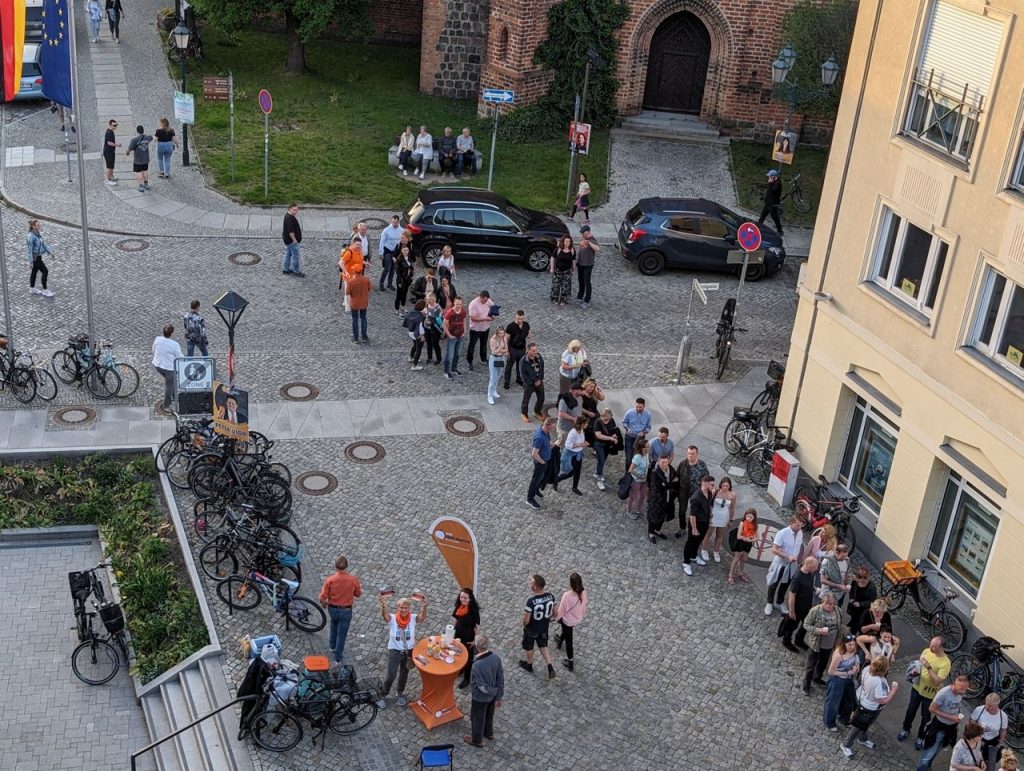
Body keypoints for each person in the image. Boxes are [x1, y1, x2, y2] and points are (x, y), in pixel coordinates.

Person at [839, 656, 899, 759]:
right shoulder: (877, 682)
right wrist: (893, 690)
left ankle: (862, 738)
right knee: (857, 726)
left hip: (864, 701)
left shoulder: (867, 669)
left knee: (865, 725)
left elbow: (860, 680)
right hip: (870, 708)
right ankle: (846, 744)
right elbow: (883, 700)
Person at [899, 636, 953, 748]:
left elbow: (938, 681)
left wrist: (928, 666)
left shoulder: (945, 663)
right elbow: (919, 663)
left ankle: (921, 737)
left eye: (934, 646)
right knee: (910, 711)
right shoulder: (926, 651)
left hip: (930, 694)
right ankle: (905, 729)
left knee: (926, 717)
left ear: (941, 647)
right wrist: (915, 670)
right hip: (917, 688)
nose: (931, 647)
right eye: (931, 644)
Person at [376, 595, 427, 708]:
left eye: (406, 608)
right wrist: (383, 605)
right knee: (391, 674)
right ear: (397, 608)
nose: (404, 610)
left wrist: (424, 606)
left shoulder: (413, 618)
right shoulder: (393, 619)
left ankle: (400, 693)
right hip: (394, 650)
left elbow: (421, 618)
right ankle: (383, 694)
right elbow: (385, 616)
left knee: (404, 673)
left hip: (408, 651)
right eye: (401, 608)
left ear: (409, 609)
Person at [916, 676, 971, 770]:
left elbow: (956, 707)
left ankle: (927, 767)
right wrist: (951, 717)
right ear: (955, 684)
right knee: (929, 751)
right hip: (939, 726)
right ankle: (922, 768)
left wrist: (956, 718)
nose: (963, 692)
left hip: (950, 728)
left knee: (937, 751)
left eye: (965, 689)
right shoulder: (944, 693)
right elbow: (932, 708)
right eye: (962, 688)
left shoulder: (959, 694)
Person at [318, 556, 362, 664]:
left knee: (333, 625)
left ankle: (332, 646)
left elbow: (322, 596)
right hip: (346, 610)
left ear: (335, 566)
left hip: (333, 608)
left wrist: (324, 603)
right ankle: (338, 657)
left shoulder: (330, 580)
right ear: (347, 566)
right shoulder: (353, 580)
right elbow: (358, 594)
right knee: (342, 634)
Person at [464, 634, 503, 748]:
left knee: (477, 718)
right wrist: (498, 696)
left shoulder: (477, 665)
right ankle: (488, 733)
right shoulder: (496, 658)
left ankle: (477, 740)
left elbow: (481, 686)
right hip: (493, 697)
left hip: (480, 698)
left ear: (476, 646)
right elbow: (500, 678)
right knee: (489, 714)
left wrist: (494, 692)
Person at [801, 591, 843, 695]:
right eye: (826, 603)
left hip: (829, 644)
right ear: (822, 602)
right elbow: (806, 624)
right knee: (811, 665)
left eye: (831, 604)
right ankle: (806, 684)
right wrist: (819, 630)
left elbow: (839, 626)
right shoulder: (815, 611)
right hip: (816, 644)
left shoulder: (838, 611)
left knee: (823, 663)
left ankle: (817, 677)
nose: (829, 606)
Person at [765, 514, 804, 616]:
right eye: (797, 525)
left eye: (800, 526)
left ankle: (779, 602)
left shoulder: (800, 533)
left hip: (792, 565)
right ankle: (769, 603)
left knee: (785, 584)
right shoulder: (782, 533)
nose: (799, 528)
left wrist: (799, 562)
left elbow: (799, 548)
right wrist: (787, 556)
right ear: (791, 523)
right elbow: (774, 549)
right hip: (781, 564)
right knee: (774, 583)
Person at [519, 575, 556, 680]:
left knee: (529, 647)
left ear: (535, 587)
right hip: (544, 628)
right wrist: (550, 618)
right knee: (543, 646)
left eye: (532, 583)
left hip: (532, 629)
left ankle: (529, 665)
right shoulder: (550, 596)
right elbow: (555, 612)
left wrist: (524, 624)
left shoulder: (531, 602)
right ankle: (550, 667)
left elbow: (526, 620)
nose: (530, 584)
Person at [779, 556, 818, 652]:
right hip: (797, 608)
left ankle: (798, 640)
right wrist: (791, 611)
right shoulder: (798, 577)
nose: (816, 569)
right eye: (815, 567)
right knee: (792, 626)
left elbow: (808, 584)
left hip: (806, 606)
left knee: (807, 623)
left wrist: (814, 588)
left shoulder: (809, 574)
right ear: (809, 566)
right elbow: (792, 595)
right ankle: (786, 641)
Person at [824, 634, 861, 732]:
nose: (852, 647)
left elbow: (857, 661)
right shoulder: (838, 655)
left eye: (853, 644)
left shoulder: (854, 651)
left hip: (848, 679)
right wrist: (847, 672)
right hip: (837, 679)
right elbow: (831, 671)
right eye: (849, 645)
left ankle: (844, 719)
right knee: (833, 702)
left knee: (849, 700)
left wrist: (856, 667)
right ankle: (830, 722)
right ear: (844, 644)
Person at [553, 573, 588, 672]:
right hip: (577, 618)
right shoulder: (584, 592)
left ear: (570, 584)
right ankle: (560, 640)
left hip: (568, 621)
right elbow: (584, 605)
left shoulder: (567, 596)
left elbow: (561, 611)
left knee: (569, 640)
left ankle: (570, 661)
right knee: (566, 631)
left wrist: (554, 619)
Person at [683, 475, 716, 575]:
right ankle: (686, 562)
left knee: (699, 540)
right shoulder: (696, 497)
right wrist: (694, 528)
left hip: (704, 522)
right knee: (691, 542)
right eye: (712, 484)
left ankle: (694, 556)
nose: (714, 486)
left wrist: (710, 517)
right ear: (705, 484)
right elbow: (692, 515)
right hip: (696, 523)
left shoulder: (709, 493)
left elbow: (709, 506)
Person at [676, 446, 710, 540]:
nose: (690, 455)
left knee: (694, 512)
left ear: (697, 454)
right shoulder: (683, 463)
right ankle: (682, 528)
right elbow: (677, 476)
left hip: (696, 493)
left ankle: (693, 528)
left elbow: (707, 479)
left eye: (692, 454)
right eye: (689, 453)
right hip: (684, 491)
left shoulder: (702, 465)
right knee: (682, 510)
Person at [452, 588, 481, 689]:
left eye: (465, 598)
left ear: (470, 599)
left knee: (469, 658)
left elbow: (477, 626)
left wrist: (475, 640)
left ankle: (467, 678)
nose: (462, 599)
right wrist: (451, 631)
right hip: (458, 634)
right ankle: (461, 668)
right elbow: (455, 618)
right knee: (458, 652)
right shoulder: (459, 606)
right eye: (461, 597)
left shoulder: (473, 610)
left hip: (468, 636)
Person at [646, 455, 679, 545]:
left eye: (666, 462)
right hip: (657, 501)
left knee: (663, 517)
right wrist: (670, 484)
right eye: (662, 462)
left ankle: (657, 531)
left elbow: (676, 483)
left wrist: (666, 485)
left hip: (668, 500)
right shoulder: (655, 473)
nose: (664, 464)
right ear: (659, 462)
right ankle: (651, 533)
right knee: (653, 518)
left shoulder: (671, 470)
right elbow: (658, 488)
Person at [971, 693, 1009, 770]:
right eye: (986, 704)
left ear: (997, 705)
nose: (987, 707)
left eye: (990, 706)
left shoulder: (1003, 716)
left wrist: (1000, 743)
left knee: (991, 766)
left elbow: (1003, 730)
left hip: (993, 743)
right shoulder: (979, 709)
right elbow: (971, 720)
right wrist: (978, 727)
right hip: (978, 740)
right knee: (974, 762)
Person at [703, 476, 736, 563]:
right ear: (720, 485)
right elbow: (709, 504)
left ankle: (716, 551)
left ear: (730, 486)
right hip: (714, 515)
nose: (725, 488)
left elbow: (732, 508)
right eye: (723, 485)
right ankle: (704, 549)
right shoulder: (715, 492)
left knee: (720, 535)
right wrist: (709, 516)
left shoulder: (732, 494)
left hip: (724, 516)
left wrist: (731, 519)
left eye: (727, 486)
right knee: (708, 533)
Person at [151, 325, 181, 415]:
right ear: (172, 334)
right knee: (169, 384)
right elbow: (179, 357)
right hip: (169, 368)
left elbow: (153, 350)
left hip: (158, 365)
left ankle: (175, 396)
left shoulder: (157, 339)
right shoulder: (174, 344)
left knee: (172, 381)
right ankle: (167, 405)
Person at [526, 417, 555, 509]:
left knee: (542, 477)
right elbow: (534, 454)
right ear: (548, 425)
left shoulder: (546, 431)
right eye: (553, 426)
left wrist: (551, 444)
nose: (554, 428)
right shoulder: (539, 437)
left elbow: (547, 440)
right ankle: (530, 499)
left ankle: (536, 489)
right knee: (535, 479)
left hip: (545, 459)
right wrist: (543, 463)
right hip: (540, 462)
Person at [555, 416, 588, 494]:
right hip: (572, 455)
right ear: (582, 424)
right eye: (586, 423)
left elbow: (581, 440)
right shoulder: (573, 432)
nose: (587, 424)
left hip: (579, 454)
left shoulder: (582, 430)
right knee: (570, 473)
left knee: (577, 472)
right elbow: (568, 445)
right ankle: (555, 480)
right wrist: (581, 445)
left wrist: (584, 443)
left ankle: (575, 488)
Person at [590, 409, 620, 490]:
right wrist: (610, 438)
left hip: (607, 444)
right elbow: (598, 435)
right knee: (601, 460)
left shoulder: (611, 420)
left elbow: (613, 429)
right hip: (598, 444)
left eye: (606, 416)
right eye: (602, 416)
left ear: (610, 416)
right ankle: (599, 479)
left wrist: (614, 435)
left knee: (603, 460)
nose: (603, 418)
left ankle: (597, 473)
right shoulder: (598, 422)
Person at [727, 508, 758, 584]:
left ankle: (741, 572)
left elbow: (757, 537)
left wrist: (751, 540)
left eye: (751, 517)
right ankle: (730, 574)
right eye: (748, 516)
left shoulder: (755, 525)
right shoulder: (742, 523)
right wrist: (746, 538)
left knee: (744, 558)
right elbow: (738, 536)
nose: (749, 518)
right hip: (740, 542)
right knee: (737, 558)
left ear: (754, 518)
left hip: (748, 543)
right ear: (745, 516)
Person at [466, 290, 493, 372]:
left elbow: (493, 309)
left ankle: (483, 359)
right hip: (475, 329)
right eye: (484, 300)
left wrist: (493, 315)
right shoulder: (473, 304)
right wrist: (485, 318)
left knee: (484, 344)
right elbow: (473, 318)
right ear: (480, 297)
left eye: (487, 300)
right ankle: (469, 361)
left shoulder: (488, 301)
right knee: (472, 345)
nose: (486, 302)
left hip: (485, 328)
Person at [503, 310, 531, 390]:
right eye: (518, 318)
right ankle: (507, 382)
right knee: (509, 366)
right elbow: (506, 338)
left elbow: (529, 336)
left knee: (520, 365)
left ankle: (519, 379)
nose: (520, 320)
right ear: (515, 316)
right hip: (513, 349)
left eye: (521, 319)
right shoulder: (510, 326)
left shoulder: (526, 324)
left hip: (522, 348)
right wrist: (507, 350)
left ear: (523, 317)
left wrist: (526, 331)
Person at [26, 220, 54, 298]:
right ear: (33, 226)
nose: (39, 226)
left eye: (39, 225)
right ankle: (45, 290)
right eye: (38, 225)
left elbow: (43, 245)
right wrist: (31, 262)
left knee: (34, 272)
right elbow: (29, 250)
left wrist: (50, 252)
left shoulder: (38, 234)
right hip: (36, 258)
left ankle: (32, 288)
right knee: (45, 271)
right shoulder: (31, 236)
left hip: (38, 257)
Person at [442, 296, 467, 379]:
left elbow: (464, 320)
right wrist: (449, 335)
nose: (458, 306)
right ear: (454, 303)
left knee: (457, 354)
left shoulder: (463, 311)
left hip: (460, 336)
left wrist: (465, 331)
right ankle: (446, 371)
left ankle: (453, 368)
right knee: (449, 355)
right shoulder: (450, 312)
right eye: (457, 304)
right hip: (452, 336)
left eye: (460, 304)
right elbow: (444, 325)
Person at [575, 225, 599, 308]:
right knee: (580, 280)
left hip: (588, 264)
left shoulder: (592, 239)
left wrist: (589, 243)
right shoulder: (583, 237)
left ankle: (587, 300)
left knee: (587, 282)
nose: (582, 234)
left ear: (588, 232)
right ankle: (580, 296)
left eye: (583, 232)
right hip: (580, 263)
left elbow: (597, 248)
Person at [519, 343, 545, 422]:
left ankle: (537, 411)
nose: (535, 352)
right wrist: (531, 383)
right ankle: (524, 413)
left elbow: (542, 369)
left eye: (536, 350)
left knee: (541, 398)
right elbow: (523, 375)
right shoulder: (524, 360)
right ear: (528, 350)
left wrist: (540, 379)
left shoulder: (539, 357)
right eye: (533, 351)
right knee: (526, 399)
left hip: (539, 382)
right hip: (529, 384)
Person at [625, 438, 649, 521]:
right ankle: (629, 510)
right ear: (642, 448)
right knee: (632, 496)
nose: (649, 448)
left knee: (642, 496)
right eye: (647, 447)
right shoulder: (637, 457)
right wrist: (639, 475)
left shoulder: (646, 454)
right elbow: (630, 470)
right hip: (636, 480)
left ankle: (638, 511)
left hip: (644, 480)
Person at [346, 266, 371, 344]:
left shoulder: (351, 281)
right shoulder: (366, 279)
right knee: (363, 318)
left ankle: (356, 338)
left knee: (355, 320)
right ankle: (364, 336)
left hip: (354, 304)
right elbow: (369, 289)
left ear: (354, 272)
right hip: (364, 302)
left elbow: (347, 292)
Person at [339, 234, 365, 311]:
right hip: (349, 275)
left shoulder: (359, 251)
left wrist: (364, 263)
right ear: (353, 244)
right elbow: (341, 262)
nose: (359, 246)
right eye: (357, 244)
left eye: (360, 244)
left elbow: (359, 260)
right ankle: (348, 308)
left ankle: (345, 303)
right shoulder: (349, 252)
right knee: (348, 292)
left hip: (356, 275)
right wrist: (345, 271)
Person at [622, 397, 651, 463]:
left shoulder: (648, 414)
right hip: (629, 437)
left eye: (640, 407)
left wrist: (644, 432)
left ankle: (635, 472)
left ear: (644, 406)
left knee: (637, 458)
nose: (638, 409)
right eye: (637, 407)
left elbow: (648, 427)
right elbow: (624, 422)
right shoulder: (629, 412)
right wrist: (627, 428)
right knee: (629, 458)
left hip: (641, 439)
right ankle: (628, 473)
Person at [378, 215, 403, 290]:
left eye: (396, 222)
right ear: (391, 221)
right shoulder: (386, 230)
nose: (394, 224)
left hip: (396, 252)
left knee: (393, 269)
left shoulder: (401, 230)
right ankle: (381, 283)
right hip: (388, 251)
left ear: (398, 222)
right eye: (393, 222)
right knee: (387, 268)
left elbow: (401, 241)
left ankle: (389, 283)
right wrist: (381, 253)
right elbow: (382, 242)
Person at [126, 125, 153, 193]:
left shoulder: (134, 140)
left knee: (139, 172)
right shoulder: (148, 138)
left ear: (137, 131)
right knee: (145, 171)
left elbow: (129, 149)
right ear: (143, 130)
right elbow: (152, 138)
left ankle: (141, 185)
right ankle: (146, 184)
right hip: (146, 158)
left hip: (138, 159)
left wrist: (127, 153)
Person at [556, 381, 584, 446]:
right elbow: (561, 413)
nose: (581, 391)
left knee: (573, 443)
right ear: (574, 391)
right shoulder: (564, 400)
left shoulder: (580, 398)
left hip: (574, 427)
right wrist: (573, 418)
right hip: (565, 428)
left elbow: (579, 409)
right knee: (563, 444)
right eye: (580, 390)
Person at [550, 236, 575, 306]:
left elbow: (573, 260)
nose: (568, 243)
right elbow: (552, 258)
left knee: (566, 286)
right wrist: (552, 268)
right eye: (566, 241)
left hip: (567, 271)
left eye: (569, 241)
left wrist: (573, 269)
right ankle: (555, 299)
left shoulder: (572, 250)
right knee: (556, 286)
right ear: (563, 242)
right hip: (558, 270)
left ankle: (563, 300)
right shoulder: (558, 249)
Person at [486, 326, 508, 405]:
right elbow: (494, 352)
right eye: (500, 333)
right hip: (494, 359)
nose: (502, 335)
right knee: (493, 378)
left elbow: (506, 350)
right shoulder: (493, 339)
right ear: (497, 333)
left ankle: (494, 390)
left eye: (503, 333)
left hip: (501, 358)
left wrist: (500, 349)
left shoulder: (504, 338)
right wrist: (501, 347)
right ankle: (490, 395)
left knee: (498, 376)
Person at [758, 169, 783, 235]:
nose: (768, 178)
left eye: (769, 176)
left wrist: (770, 183)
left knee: (775, 217)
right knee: (763, 215)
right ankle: (758, 226)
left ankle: (780, 231)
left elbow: (771, 192)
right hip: (768, 203)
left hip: (773, 204)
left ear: (773, 177)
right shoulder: (774, 182)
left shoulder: (777, 184)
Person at [281, 203, 304, 277]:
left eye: (297, 209)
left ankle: (286, 269)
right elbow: (291, 232)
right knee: (296, 255)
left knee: (288, 254)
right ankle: (296, 271)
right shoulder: (290, 218)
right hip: (291, 241)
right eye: (294, 209)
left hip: (287, 240)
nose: (296, 211)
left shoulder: (287, 216)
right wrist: (294, 240)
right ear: (290, 209)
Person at [393, 244, 415, 317]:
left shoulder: (408, 258)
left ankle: (403, 307)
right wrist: (400, 281)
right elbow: (398, 272)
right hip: (401, 280)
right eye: (404, 250)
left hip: (407, 279)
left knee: (405, 294)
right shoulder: (399, 260)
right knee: (399, 295)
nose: (406, 252)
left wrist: (411, 275)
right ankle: (396, 310)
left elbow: (411, 267)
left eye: (407, 250)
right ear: (401, 251)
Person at [405, 299, 427, 371]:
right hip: (417, 334)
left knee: (414, 345)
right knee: (419, 349)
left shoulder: (411, 312)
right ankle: (414, 365)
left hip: (411, 332)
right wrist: (422, 336)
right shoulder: (420, 316)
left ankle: (411, 357)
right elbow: (420, 328)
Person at [423, 292, 443, 366]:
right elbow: (424, 315)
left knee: (435, 344)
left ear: (434, 299)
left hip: (434, 328)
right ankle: (429, 357)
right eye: (427, 299)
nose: (428, 301)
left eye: (430, 300)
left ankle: (438, 358)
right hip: (426, 327)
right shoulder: (426, 305)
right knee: (428, 343)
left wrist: (433, 320)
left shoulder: (437, 308)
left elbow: (440, 319)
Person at [103, 119, 120, 185]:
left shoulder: (110, 131)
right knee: (109, 166)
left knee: (111, 165)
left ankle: (111, 176)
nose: (115, 126)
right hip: (108, 152)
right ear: (110, 125)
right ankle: (107, 179)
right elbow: (109, 143)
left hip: (110, 151)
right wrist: (117, 145)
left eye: (116, 125)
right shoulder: (109, 133)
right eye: (114, 125)